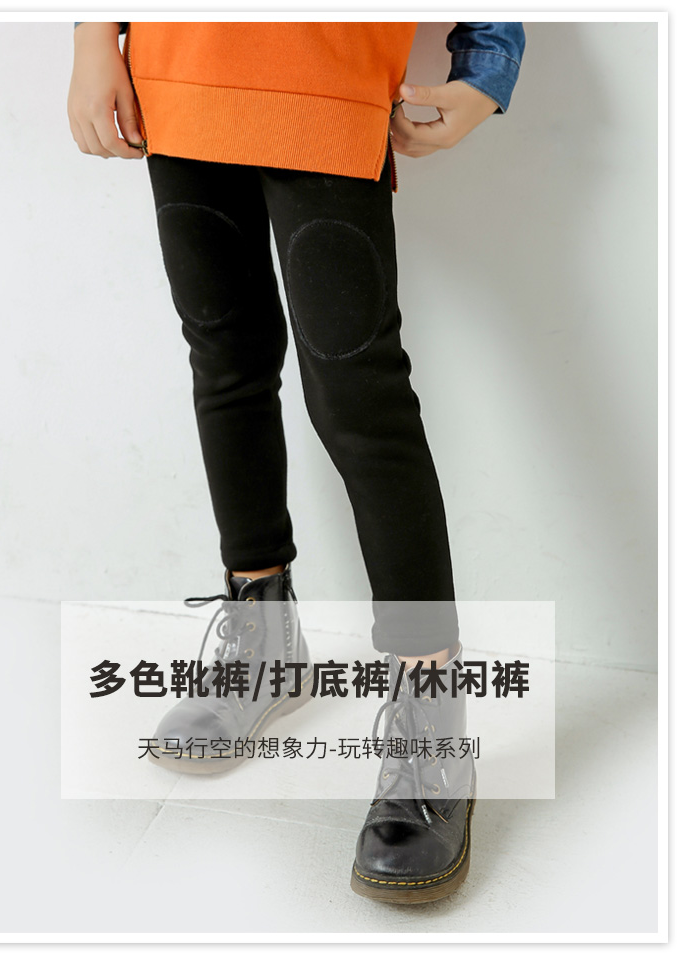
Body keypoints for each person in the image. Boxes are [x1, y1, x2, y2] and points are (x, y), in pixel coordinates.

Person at [68, 20, 526, 904]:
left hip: (326, 72)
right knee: (225, 361)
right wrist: (94, 34)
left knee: (360, 397)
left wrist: (489, 63)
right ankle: (263, 639)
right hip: (177, 69)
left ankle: (432, 715)